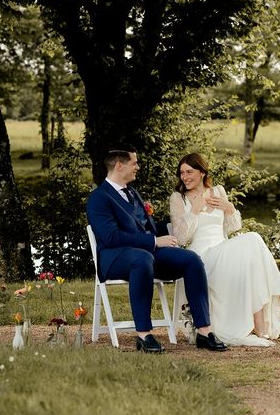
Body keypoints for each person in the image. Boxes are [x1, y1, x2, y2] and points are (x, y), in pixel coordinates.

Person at [86, 145, 227, 353]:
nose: (138, 167)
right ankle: (144, 335)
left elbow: (144, 226)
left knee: (191, 259)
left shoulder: (132, 193)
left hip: (146, 255)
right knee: (141, 258)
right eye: (134, 163)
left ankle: (204, 332)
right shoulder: (99, 198)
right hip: (115, 258)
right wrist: (153, 241)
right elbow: (111, 237)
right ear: (119, 166)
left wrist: (173, 227)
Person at [169, 153, 280, 347]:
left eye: (189, 172)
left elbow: (234, 228)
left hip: (223, 250)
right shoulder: (179, 198)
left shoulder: (218, 191)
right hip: (201, 257)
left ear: (202, 172)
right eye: (182, 173)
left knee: (252, 254)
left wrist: (229, 208)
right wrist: (194, 209)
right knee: (253, 238)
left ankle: (261, 326)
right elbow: (180, 237)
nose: (184, 177)